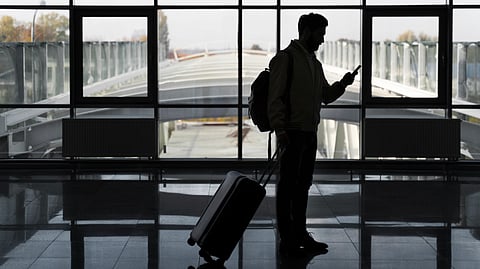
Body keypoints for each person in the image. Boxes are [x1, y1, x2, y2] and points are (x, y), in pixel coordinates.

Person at [268, 13, 357, 257]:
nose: (322, 40)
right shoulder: (285, 59)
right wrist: (280, 128)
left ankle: (299, 234)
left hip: (308, 133)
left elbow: (325, 96)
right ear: (306, 31)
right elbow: (274, 97)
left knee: (302, 186)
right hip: (292, 133)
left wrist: (343, 83)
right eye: (319, 34)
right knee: (288, 188)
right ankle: (289, 238)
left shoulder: (314, 64)